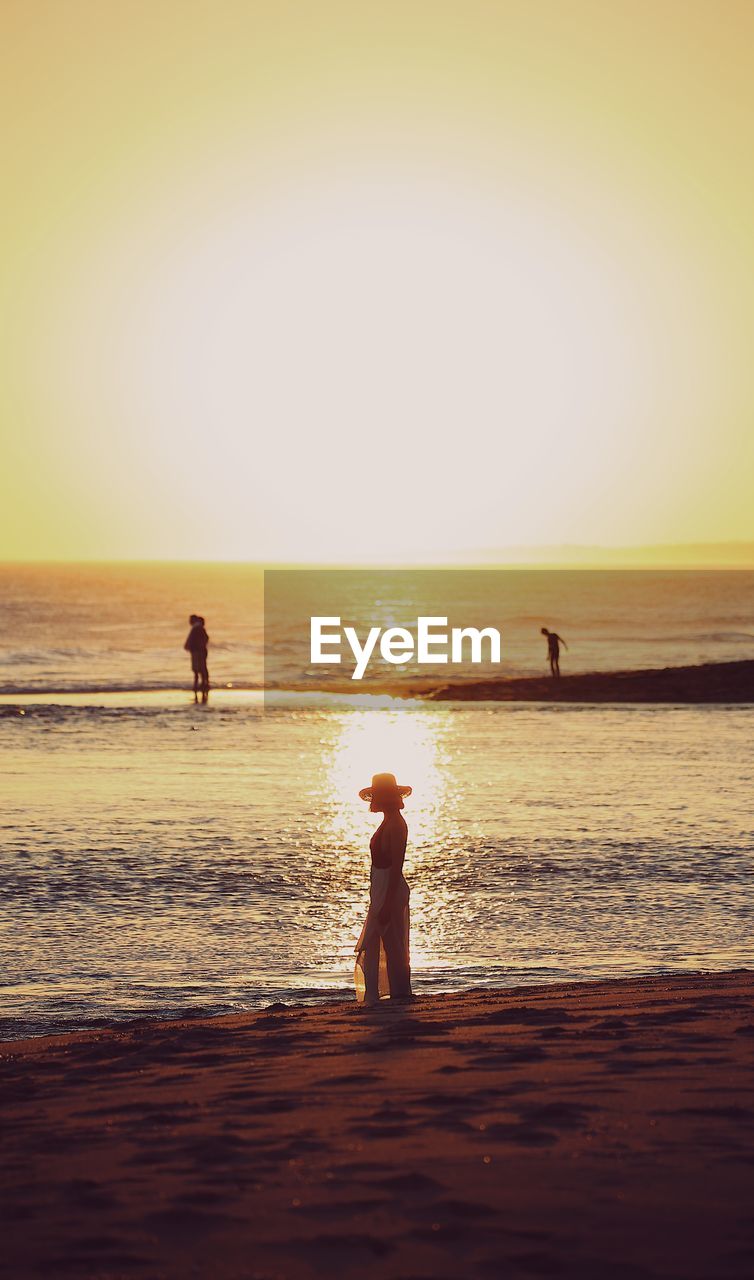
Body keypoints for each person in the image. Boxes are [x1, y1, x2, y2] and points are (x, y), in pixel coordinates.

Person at [354, 773, 413, 1005]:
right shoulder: (388, 822)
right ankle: (388, 993)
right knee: (384, 940)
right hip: (382, 887)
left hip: (391, 888)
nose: (373, 801)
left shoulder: (397, 825)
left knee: (392, 942)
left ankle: (398, 993)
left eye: (376, 796)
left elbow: (396, 865)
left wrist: (387, 901)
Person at [184, 614, 210, 703]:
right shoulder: (198, 628)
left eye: (190, 620)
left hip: (198, 652)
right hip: (199, 651)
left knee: (198, 669)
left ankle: (200, 685)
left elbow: (204, 639)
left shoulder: (196, 628)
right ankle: (203, 684)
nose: (189, 622)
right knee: (201, 668)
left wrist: (197, 647)